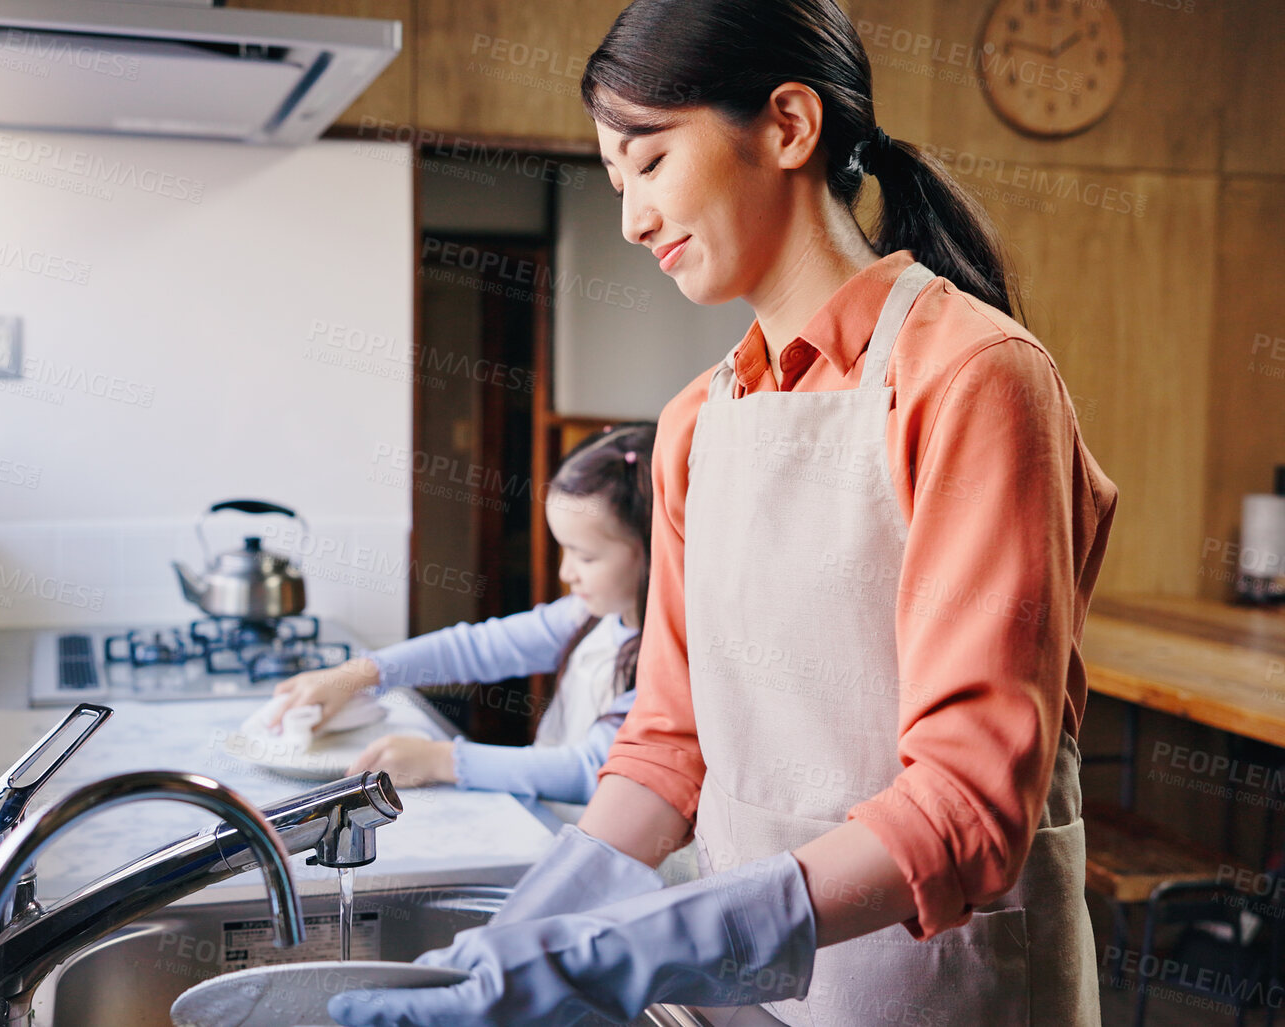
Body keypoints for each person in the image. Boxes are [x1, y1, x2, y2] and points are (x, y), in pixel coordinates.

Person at [327, 1, 1119, 1024]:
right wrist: (520, 938)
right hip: (746, 993)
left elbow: (969, 805)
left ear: (789, 126)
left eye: (649, 163)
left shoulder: (973, 376)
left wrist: (647, 945)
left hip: (935, 989)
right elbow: (667, 744)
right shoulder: (699, 423)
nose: (632, 217)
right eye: (616, 183)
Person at [269, 422, 658, 803]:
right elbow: (477, 647)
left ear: (658, 550)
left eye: (586, 556)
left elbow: (592, 770)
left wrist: (442, 760)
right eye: (564, 550)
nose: (565, 572)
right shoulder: (587, 617)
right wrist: (359, 673)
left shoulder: (667, 660)